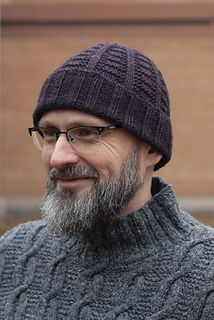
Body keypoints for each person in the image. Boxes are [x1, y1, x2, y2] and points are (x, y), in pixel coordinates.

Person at [0, 43, 214, 319]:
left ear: (151, 148)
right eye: (50, 134)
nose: (57, 158)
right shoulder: (14, 253)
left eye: (87, 132)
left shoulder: (206, 276)